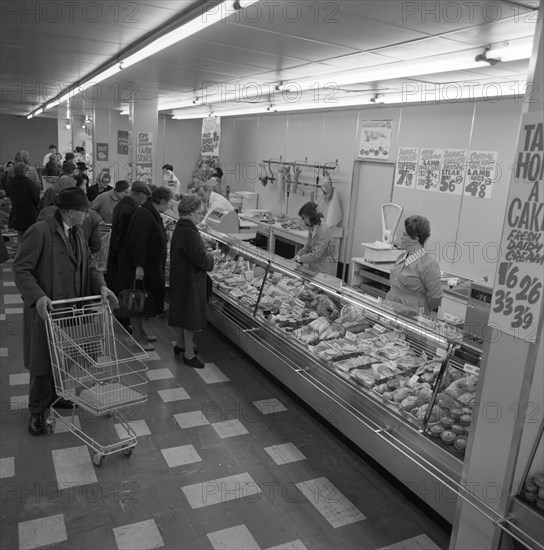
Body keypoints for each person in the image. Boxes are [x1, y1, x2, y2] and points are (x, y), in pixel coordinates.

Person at [13, 187, 118, 436]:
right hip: (46, 311)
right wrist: (38, 297)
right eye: (84, 211)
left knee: (63, 359)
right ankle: (38, 411)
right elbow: (21, 269)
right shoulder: (39, 232)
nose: (88, 215)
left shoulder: (77, 232)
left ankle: (56, 395)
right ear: (71, 212)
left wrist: (101, 286)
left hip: (71, 310)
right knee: (42, 363)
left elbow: (90, 264)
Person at [114, 186, 172, 350]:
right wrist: (139, 266)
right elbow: (139, 241)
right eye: (168, 202)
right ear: (160, 200)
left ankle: (142, 332)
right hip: (139, 268)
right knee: (136, 300)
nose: (169, 206)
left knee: (142, 301)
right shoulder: (145, 214)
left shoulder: (149, 212)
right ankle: (137, 337)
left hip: (148, 265)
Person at [169, 195, 214, 369]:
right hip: (190, 280)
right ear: (190, 213)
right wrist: (211, 259)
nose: (201, 216)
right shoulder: (189, 231)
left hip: (180, 277)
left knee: (181, 313)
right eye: (200, 213)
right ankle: (188, 354)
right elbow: (202, 260)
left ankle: (180, 345)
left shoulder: (181, 227)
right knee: (190, 317)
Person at [385, 215, 443, 317]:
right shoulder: (402, 257)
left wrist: (417, 305)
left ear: (416, 238)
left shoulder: (428, 265)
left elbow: (435, 299)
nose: (401, 238)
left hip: (412, 315)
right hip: (391, 309)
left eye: (405, 235)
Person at [37, 176, 102, 255]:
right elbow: (96, 245)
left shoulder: (45, 213)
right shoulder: (91, 215)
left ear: (57, 193)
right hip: (81, 260)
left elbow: (37, 245)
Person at [107, 181, 151, 292]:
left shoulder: (123, 205)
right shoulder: (129, 210)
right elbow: (126, 238)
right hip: (123, 260)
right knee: (124, 292)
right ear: (140, 194)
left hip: (117, 257)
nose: (145, 201)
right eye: (145, 197)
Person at [293, 202, 336, 276]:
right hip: (314, 268)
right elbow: (308, 247)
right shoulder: (313, 228)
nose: (304, 221)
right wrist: (297, 256)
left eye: (305, 218)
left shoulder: (323, 231)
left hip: (324, 272)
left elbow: (316, 255)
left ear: (312, 216)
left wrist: (300, 259)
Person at [7, 162, 40, 242]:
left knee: (20, 236)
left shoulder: (11, 182)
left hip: (17, 212)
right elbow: (36, 198)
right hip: (29, 213)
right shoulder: (29, 182)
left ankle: (20, 252)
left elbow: (9, 194)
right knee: (30, 236)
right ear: (25, 171)